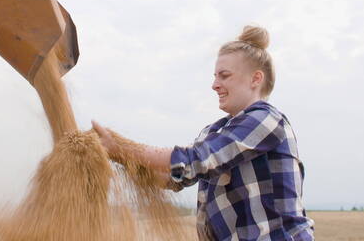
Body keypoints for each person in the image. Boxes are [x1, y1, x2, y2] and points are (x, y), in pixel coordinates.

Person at [92, 25, 315, 241]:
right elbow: (171, 178)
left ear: (256, 79)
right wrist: (118, 156)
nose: (214, 85)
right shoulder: (214, 131)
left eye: (224, 76)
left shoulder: (267, 121)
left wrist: (121, 146)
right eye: (215, 76)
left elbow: (195, 159)